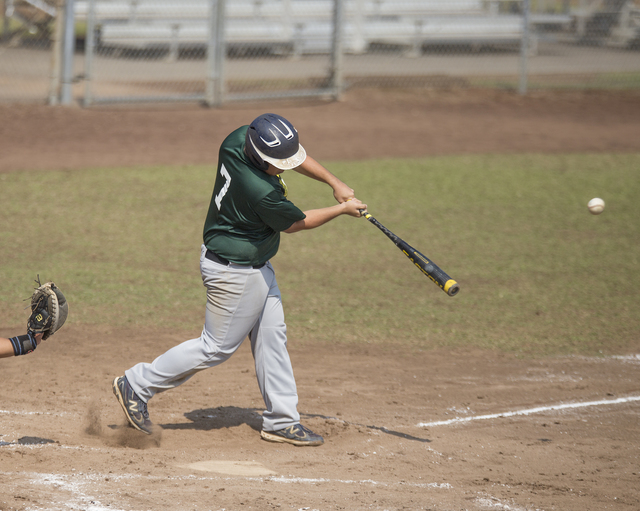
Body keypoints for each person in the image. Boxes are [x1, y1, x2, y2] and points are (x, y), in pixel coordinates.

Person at [113, 113, 366, 446]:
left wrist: (333, 182)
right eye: (279, 163)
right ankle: (136, 384)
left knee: (272, 337)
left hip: (253, 264)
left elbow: (296, 156)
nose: (286, 167)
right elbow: (296, 223)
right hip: (234, 273)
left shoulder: (238, 139)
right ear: (260, 158)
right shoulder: (260, 191)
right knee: (214, 348)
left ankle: (282, 420)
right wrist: (341, 210)